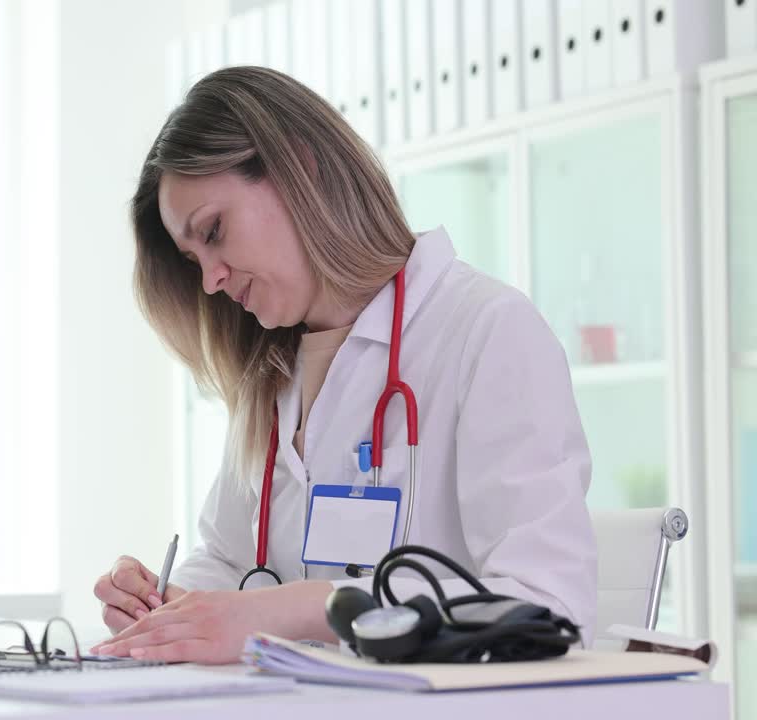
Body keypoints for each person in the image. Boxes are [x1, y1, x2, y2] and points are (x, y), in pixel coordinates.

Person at [90, 67, 597, 665]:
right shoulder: (270, 371)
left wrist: (305, 608)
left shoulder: (486, 331)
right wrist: (165, 604)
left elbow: (547, 605)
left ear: (300, 167)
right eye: (192, 258)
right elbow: (230, 560)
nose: (210, 279)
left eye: (215, 232)